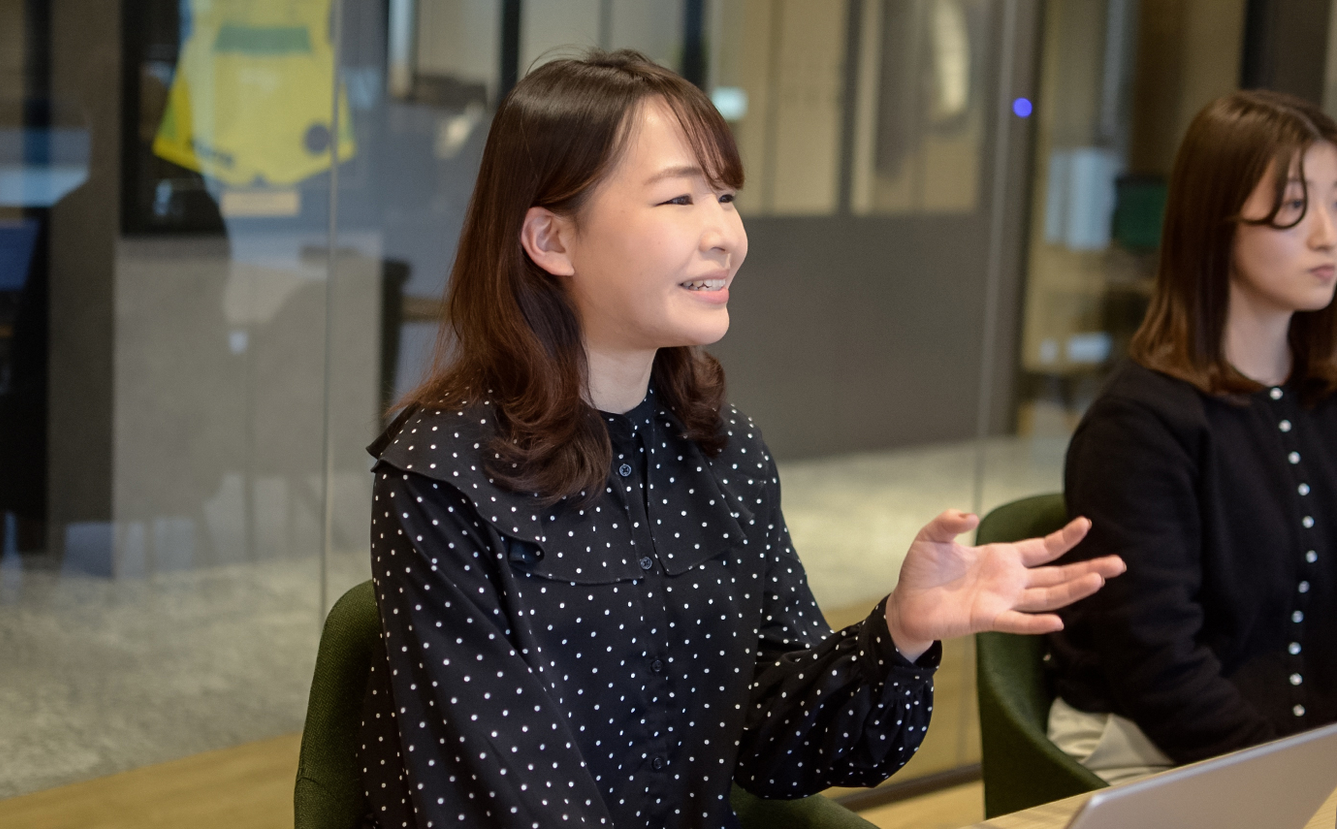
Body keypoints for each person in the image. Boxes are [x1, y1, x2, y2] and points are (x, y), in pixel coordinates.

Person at [357, 50, 1123, 828]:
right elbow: (501, 799)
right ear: (552, 239)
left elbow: (771, 742)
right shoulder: (443, 473)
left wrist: (899, 631)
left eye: (724, 196)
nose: (725, 233)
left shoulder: (723, 451)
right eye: (679, 197)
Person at [1049, 89, 1337, 785]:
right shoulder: (1140, 425)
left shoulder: (1322, 397)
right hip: (1154, 752)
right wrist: (1296, 782)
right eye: (1295, 206)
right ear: (1217, 220)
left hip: (1298, 756)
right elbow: (1158, 665)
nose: (1328, 233)